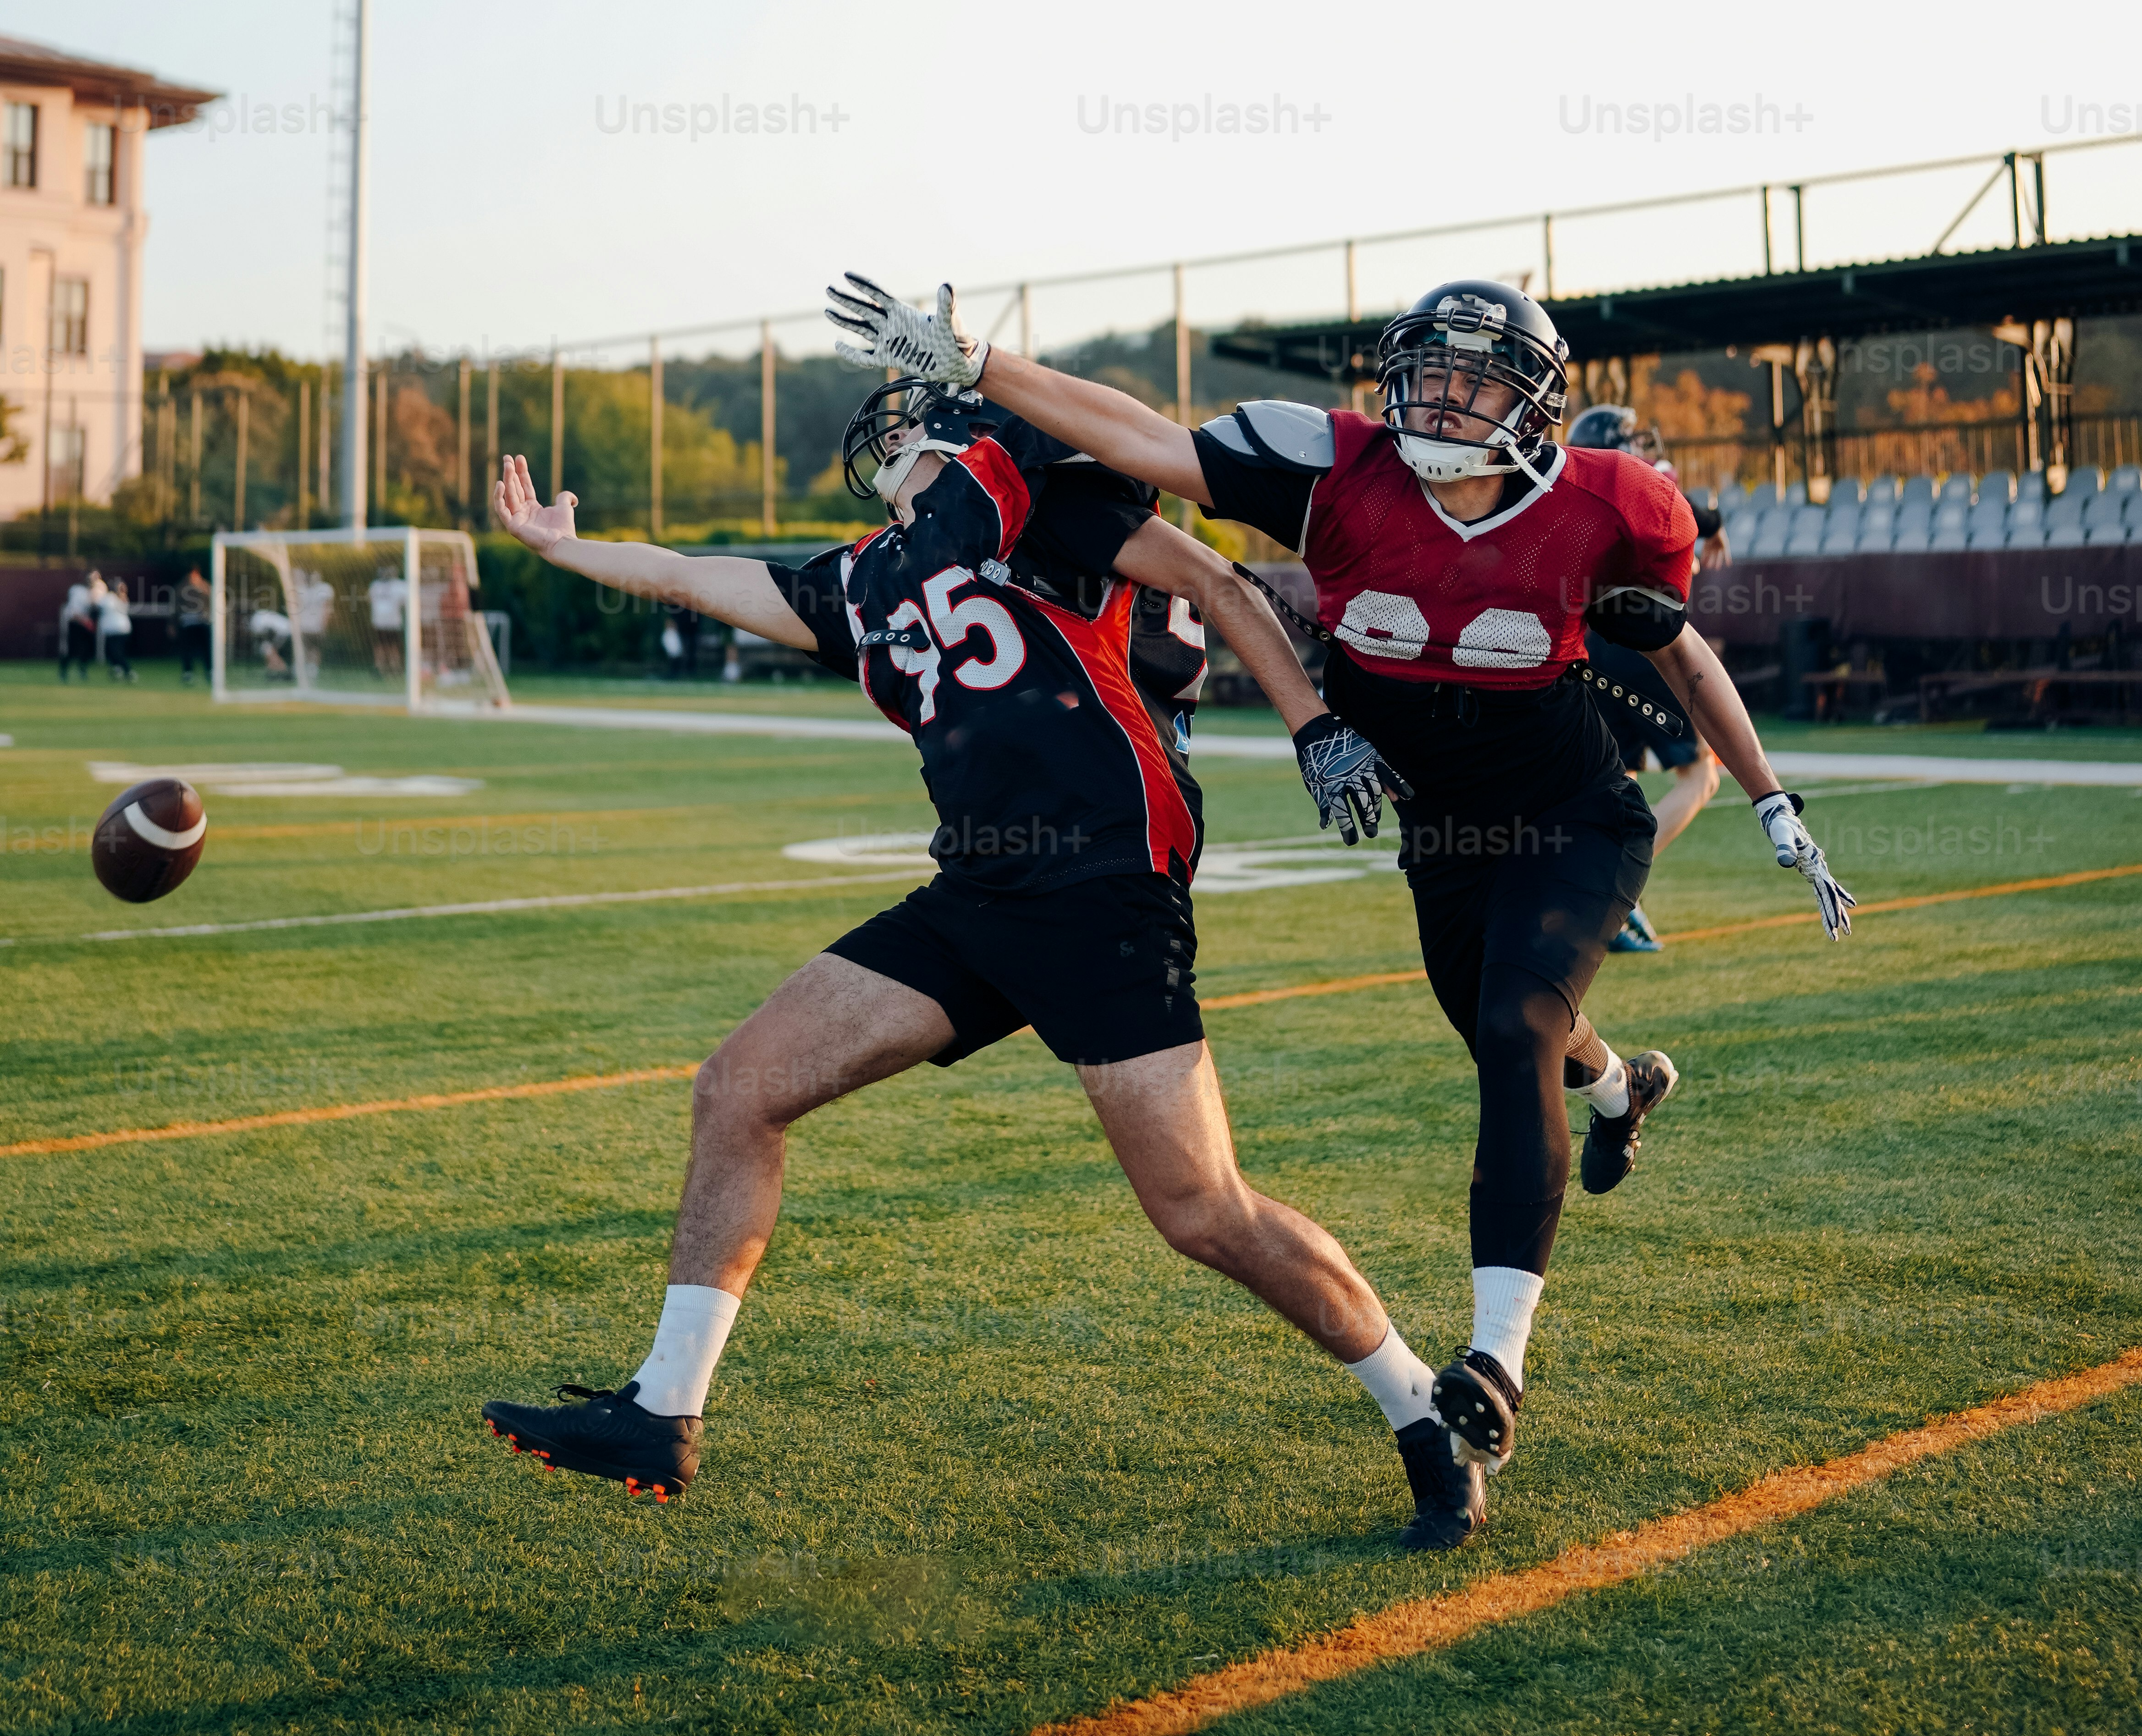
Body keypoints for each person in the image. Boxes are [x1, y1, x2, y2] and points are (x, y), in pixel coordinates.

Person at [826, 271, 1856, 1550]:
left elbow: (1677, 647)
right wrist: (985, 364)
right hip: (1442, 827)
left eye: (1477, 378)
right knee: (1514, 1022)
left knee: (1514, 1022)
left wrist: (1771, 801)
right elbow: (1141, 436)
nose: (1443, 396)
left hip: (1572, 814)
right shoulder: (1330, 463)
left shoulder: (1615, 504)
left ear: (1534, 406)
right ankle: (1618, 1088)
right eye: (1428, 371)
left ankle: (1495, 1365)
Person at [479, 388, 1466, 1543]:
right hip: (977, 893)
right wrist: (569, 545)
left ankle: (1421, 1412)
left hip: (1101, 883)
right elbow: (701, 576)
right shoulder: (865, 580)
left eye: (908, 429)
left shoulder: (1034, 501)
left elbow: (1214, 581)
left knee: (1204, 1213)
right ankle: (663, 1409)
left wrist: (1311, 722)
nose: (889, 449)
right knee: (738, 1089)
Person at [1564, 407, 1727, 952]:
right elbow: (1689, 511)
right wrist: (1715, 524)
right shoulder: (1633, 484)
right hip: (1638, 644)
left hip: (1589, 648)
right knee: (1701, 775)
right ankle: (1608, 886)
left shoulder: (1567, 490)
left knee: (1621, 782)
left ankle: (1610, 903)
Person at [59, 572, 103, 682]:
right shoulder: (77, 591)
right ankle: (64, 671)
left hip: (87, 624)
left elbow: (96, 608)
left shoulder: (96, 591)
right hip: (76, 623)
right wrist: (86, 621)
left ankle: (83, 669)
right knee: (72, 648)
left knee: (87, 648)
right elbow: (74, 612)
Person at [175, 566, 214, 688]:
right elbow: (175, 606)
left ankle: (210, 672)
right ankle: (188, 673)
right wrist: (172, 624)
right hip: (187, 623)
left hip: (203, 622)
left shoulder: (205, 586)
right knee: (187, 649)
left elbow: (212, 602)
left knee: (207, 649)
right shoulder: (182, 587)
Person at [95, 573, 136, 683]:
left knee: (116, 652)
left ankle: (128, 671)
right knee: (114, 652)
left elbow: (98, 605)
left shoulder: (110, 599)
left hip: (117, 630)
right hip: (119, 630)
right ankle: (117, 671)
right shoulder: (117, 599)